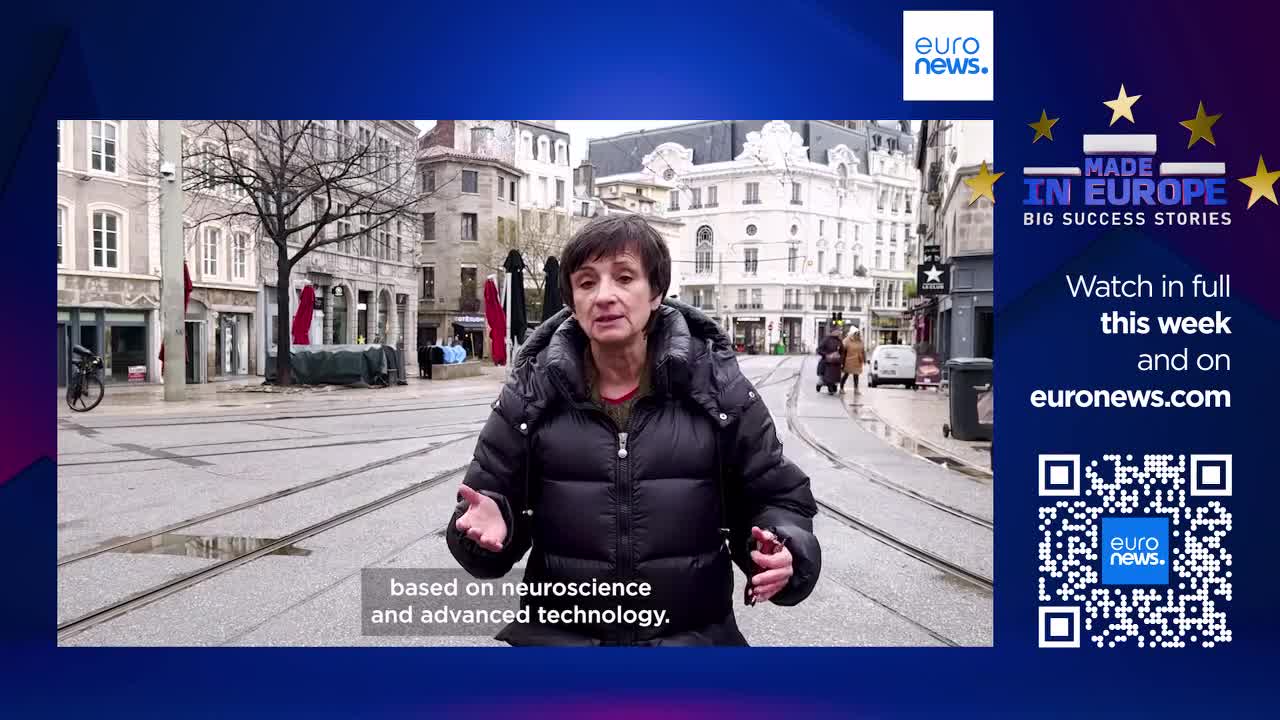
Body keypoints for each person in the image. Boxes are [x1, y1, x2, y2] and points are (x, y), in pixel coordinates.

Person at [447, 214, 821, 646]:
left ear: (656, 292)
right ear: (571, 299)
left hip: (691, 647)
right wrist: (487, 525)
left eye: (624, 278)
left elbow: (778, 497)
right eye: (586, 283)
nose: (604, 296)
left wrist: (785, 547)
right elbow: (481, 511)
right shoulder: (529, 396)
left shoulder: (718, 389)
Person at [815, 327, 844, 394]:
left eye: (838, 331)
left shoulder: (839, 341)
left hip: (836, 362)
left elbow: (842, 351)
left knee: (835, 377)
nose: (838, 332)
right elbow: (819, 350)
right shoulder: (826, 340)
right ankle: (824, 386)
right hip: (827, 362)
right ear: (832, 332)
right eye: (836, 331)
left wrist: (840, 357)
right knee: (827, 377)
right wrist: (827, 355)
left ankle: (833, 386)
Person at [841, 328, 866, 394]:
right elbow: (843, 350)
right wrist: (842, 361)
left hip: (858, 361)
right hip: (849, 360)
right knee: (846, 374)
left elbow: (863, 350)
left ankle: (856, 389)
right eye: (856, 333)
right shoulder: (847, 340)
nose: (858, 335)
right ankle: (841, 388)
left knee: (856, 375)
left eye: (859, 334)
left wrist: (864, 359)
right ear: (852, 334)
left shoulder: (860, 341)